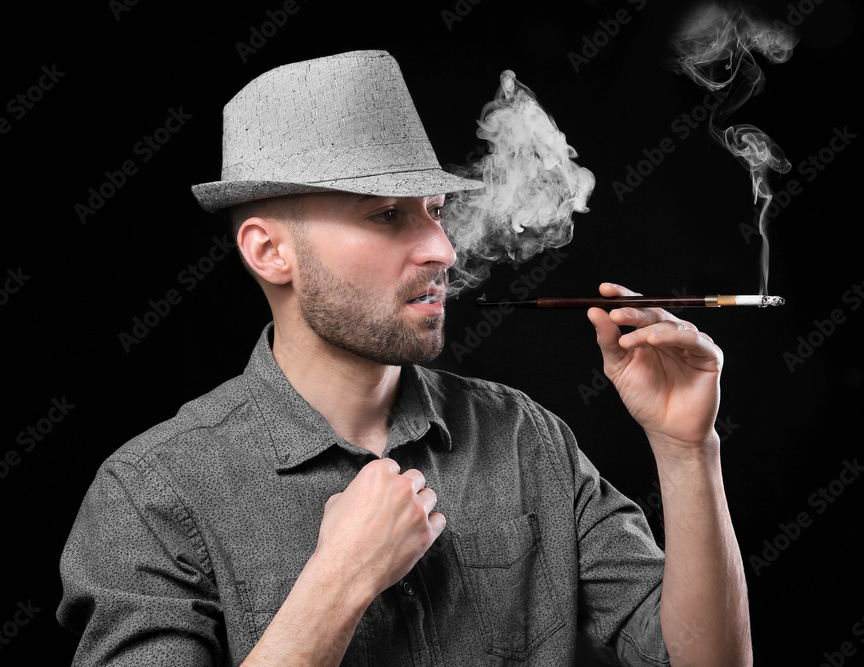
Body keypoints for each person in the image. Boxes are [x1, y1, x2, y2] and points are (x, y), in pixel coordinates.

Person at [57, 50, 752, 666]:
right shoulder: (150, 497)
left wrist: (687, 448)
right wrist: (337, 584)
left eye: (433, 208)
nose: (443, 249)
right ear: (270, 251)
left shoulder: (526, 439)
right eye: (387, 214)